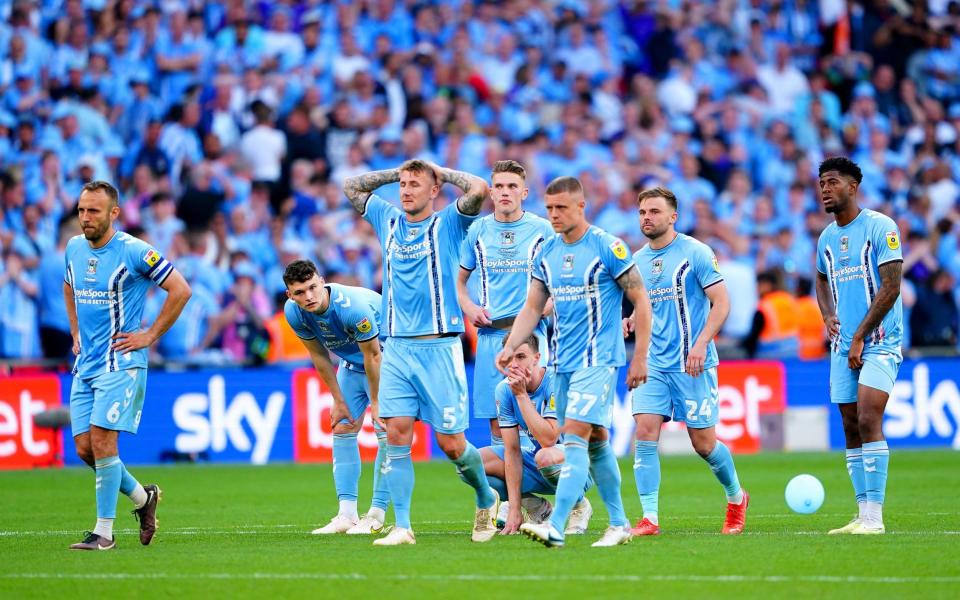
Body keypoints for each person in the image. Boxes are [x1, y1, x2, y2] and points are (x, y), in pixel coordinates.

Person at [343, 159, 497, 546]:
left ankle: (485, 495)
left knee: (452, 446)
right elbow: (352, 187)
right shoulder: (388, 220)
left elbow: (479, 188)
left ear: (434, 191)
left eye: (415, 184)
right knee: (395, 434)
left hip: (440, 347)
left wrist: (439, 171)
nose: (406, 189)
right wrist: (395, 172)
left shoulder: (447, 224)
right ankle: (403, 526)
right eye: (403, 184)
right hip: (396, 348)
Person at [497, 175, 652, 548]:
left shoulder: (607, 247)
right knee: (597, 441)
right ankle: (618, 524)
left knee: (575, 439)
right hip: (562, 364)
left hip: (598, 361)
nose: (553, 214)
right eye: (549, 208)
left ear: (581, 206)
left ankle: (558, 525)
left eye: (561, 207)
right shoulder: (546, 252)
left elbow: (641, 301)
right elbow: (533, 306)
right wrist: (512, 344)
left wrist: (640, 358)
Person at [64, 180, 192, 550]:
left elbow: (181, 289)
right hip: (86, 364)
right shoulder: (73, 248)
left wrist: (150, 335)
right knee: (86, 449)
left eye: (93, 211)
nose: (85, 218)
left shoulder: (135, 252)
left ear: (114, 213)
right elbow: (69, 287)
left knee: (104, 442)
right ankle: (143, 498)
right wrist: (75, 331)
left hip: (122, 362)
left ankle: (103, 532)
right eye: (81, 210)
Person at [627, 186, 749, 537]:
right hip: (653, 365)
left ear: (672, 216)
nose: (647, 218)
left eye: (654, 211)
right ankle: (649, 517)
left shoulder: (696, 252)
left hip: (693, 363)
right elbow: (645, 306)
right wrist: (632, 321)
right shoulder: (637, 261)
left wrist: (700, 344)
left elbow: (722, 303)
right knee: (645, 433)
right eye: (642, 212)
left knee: (703, 443)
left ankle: (736, 497)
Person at [815, 156, 903, 535]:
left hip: (880, 341)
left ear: (853, 186)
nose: (825, 189)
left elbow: (891, 286)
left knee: (869, 417)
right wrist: (827, 314)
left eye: (832, 182)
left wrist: (859, 336)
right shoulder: (826, 238)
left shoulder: (880, 227)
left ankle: (875, 519)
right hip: (843, 345)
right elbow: (820, 279)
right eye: (821, 184)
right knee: (850, 425)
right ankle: (862, 514)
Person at [282, 259, 391, 535]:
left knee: (386, 432)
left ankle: (376, 514)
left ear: (322, 280)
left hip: (389, 361)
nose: (308, 297)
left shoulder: (352, 307)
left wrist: (376, 403)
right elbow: (318, 355)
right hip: (352, 365)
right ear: (289, 295)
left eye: (312, 288)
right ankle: (347, 515)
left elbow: (374, 355)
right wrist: (338, 400)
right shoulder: (294, 313)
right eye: (299, 292)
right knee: (342, 427)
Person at [456, 160, 553, 447]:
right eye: (499, 186)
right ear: (491, 192)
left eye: (512, 186)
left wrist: (548, 306)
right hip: (490, 337)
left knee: (537, 418)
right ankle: (514, 493)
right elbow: (459, 282)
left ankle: (545, 484)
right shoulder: (477, 230)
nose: (505, 192)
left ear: (524, 192)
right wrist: (470, 308)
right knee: (499, 425)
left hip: (532, 337)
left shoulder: (543, 230)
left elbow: (563, 280)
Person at [479, 333, 593, 535]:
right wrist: (514, 508)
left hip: (580, 461)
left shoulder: (555, 382)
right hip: (540, 462)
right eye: (509, 359)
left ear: (537, 357)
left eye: (521, 357)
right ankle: (537, 508)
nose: (514, 364)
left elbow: (549, 438)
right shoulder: (504, 390)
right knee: (474, 464)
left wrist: (522, 396)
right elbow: (512, 451)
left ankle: (579, 505)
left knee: (546, 455)